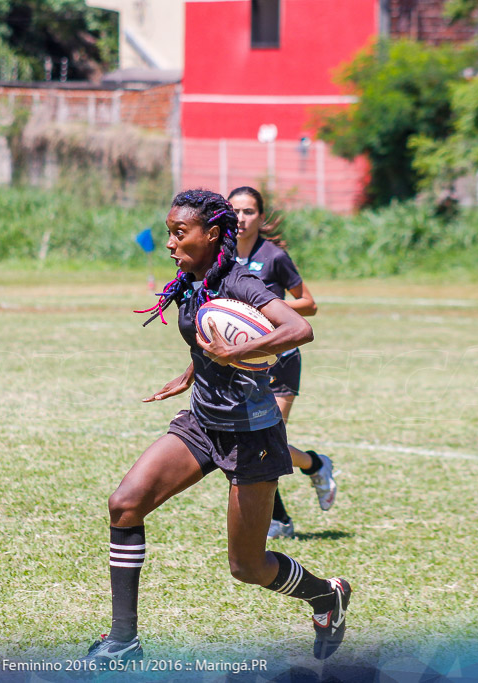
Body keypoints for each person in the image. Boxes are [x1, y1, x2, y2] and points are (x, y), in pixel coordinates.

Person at [83, 189, 351, 663]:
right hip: (203, 423)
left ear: (210, 234)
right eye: (167, 232)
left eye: (178, 232)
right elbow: (205, 335)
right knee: (125, 505)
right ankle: (124, 640)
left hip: (253, 435)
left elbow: (299, 328)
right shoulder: (192, 277)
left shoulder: (241, 281)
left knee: (247, 566)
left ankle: (325, 596)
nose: (170, 242)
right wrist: (191, 372)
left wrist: (236, 353)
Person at [227, 186, 337, 540]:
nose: (241, 219)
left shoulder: (274, 257)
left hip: (281, 359)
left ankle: (311, 473)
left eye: (248, 212)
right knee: (249, 443)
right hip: (244, 362)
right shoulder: (223, 257)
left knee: (266, 442)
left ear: (260, 216)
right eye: (235, 212)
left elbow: (309, 303)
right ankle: (309, 474)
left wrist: (267, 307)